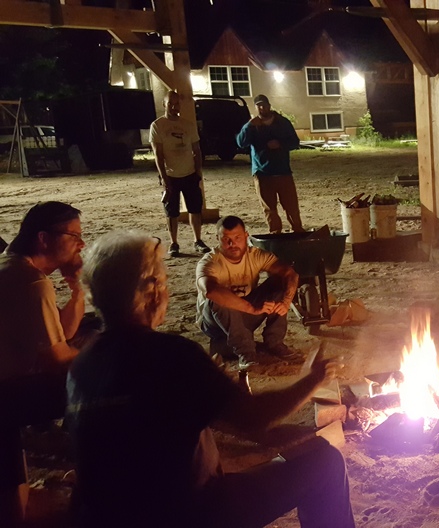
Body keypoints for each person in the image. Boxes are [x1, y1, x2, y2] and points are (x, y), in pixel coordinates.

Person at [67, 231, 355, 528]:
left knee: (298, 456)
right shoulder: (171, 354)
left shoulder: (82, 366)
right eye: (164, 283)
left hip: (105, 516)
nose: (165, 291)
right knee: (325, 464)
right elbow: (254, 419)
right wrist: (312, 379)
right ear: (151, 291)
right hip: (188, 513)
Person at [0, 202, 86, 523]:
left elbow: (61, 333)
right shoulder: (30, 282)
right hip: (5, 393)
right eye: (73, 235)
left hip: (8, 383)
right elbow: (58, 360)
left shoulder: (15, 267)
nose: (82, 244)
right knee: (102, 383)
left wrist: (77, 289)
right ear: (43, 239)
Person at [197, 215, 299, 367]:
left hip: (246, 314)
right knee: (219, 297)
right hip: (214, 321)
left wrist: (285, 302)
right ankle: (246, 353)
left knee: (279, 282)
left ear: (246, 236)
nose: (232, 244)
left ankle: (275, 343)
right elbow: (211, 291)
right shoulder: (210, 261)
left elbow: (290, 273)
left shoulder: (256, 255)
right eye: (226, 239)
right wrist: (251, 308)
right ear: (217, 238)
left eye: (238, 237)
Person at [150, 90, 211, 258]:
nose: (173, 107)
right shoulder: (158, 125)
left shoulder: (188, 125)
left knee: (195, 208)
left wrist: (198, 171)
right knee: (171, 211)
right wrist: (163, 176)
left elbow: (197, 149)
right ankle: (174, 242)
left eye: (176, 103)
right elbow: (158, 154)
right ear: (164, 104)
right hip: (170, 175)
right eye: (170, 103)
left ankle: (197, 240)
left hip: (189, 173)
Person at [236, 94, 304, 234]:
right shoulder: (253, 125)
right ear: (256, 107)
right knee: (269, 207)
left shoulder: (282, 122)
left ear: (269, 106)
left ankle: (297, 230)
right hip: (262, 172)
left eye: (264, 105)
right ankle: (275, 233)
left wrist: (280, 144)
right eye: (259, 106)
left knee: (291, 204)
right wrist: (248, 126)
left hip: (283, 171)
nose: (262, 108)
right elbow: (241, 143)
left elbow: (294, 142)